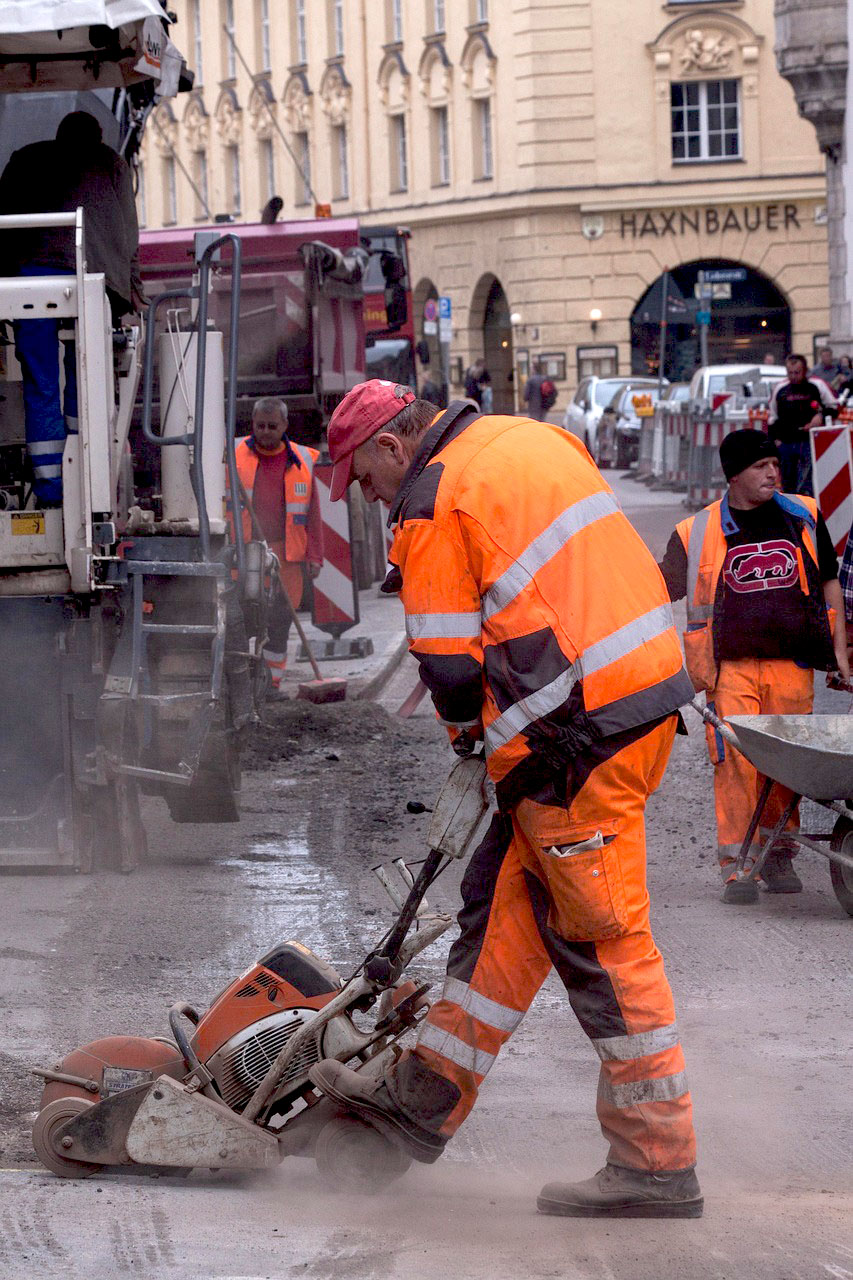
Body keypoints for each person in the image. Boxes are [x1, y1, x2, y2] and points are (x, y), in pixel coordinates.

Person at [309, 379, 702, 1219]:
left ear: (390, 445)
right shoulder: (530, 440)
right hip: (628, 710)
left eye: (366, 483)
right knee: (502, 913)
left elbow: (448, 662)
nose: (372, 501)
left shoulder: (432, 500)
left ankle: (656, 1163)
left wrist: (467, 747)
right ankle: (420, 1100)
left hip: (573, 744)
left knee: (602, 944)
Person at [659, 429, 848, 904]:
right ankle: (738, 862)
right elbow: (654, 594)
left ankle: (778, 851)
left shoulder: (803, 514)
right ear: (735, 475)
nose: (773, 473)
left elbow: (830, 583)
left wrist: (841, 655)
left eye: (775, 465)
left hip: (791, 664)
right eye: (762, 466)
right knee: (736, 764)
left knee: (789, 765)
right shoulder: (695, 532)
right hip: (730, 669)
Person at [0, 112, 143, 505]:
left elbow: (3, 216)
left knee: (40, 382)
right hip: (92, 279)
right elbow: (129, 231)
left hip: (33, 281)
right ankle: (86, 483)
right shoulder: (111, 162)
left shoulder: (25, 158)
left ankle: (50, 491)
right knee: (86, 378)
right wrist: (133, 286)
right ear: (97, 138)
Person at [232, 398, 323, 692]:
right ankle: (243, 683)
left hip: (287, 555)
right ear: (253, 424)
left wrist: (315, 555)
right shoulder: (233, 455)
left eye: (273, 426)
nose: (266, 432)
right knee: (244, 617)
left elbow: (313, 514)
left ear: (284, 425)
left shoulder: (302, 460)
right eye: (261, 426)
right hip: (245, 553)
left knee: (281, 620)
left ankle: (271, 685)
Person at [767, 353, 837, 495]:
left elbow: (834, 407)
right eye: (790, 373)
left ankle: (805, 512)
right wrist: (776, 440)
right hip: (786, 443)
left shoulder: (817, 385)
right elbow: (772, 417)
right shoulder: (780, 389)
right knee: (788, 485)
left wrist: (820, 416)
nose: (793, 376)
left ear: (804, 370)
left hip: (809, 442)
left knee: (805, 485)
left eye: (797, 373)